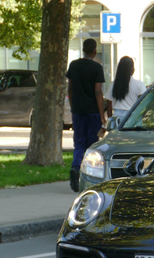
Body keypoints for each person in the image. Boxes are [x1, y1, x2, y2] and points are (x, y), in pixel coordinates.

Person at [66, 38, 105, 192]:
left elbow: (70, 88)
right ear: (94, 51)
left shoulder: (73, 65)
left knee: (79, 143)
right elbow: (98, 92)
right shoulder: (97, 68)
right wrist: (102, 115)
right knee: (92, 145)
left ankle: (75, 167)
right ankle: (88, 176)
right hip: (93, 112)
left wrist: (72, 106)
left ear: (83, 50)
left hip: (78, 111)